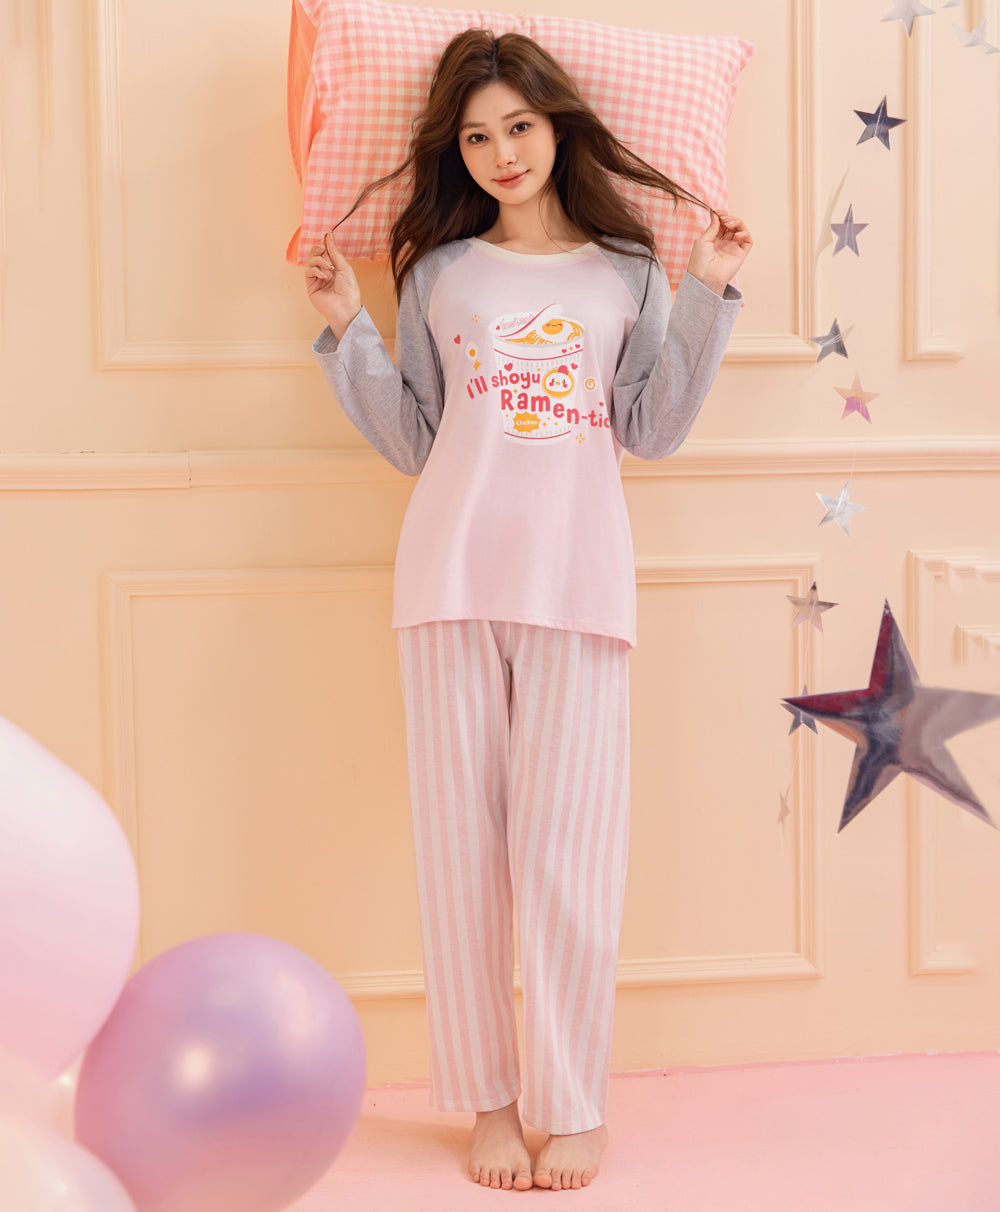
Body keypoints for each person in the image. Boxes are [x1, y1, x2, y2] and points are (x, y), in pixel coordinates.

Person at [304, 28, 752, 1193]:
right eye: (476, 137)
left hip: (578, 587)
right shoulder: (440, 273)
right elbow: (414, 437)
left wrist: (708, 289)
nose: (502, 153)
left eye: (519, 126)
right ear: (456, 152)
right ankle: (493, 1105)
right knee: (460, 860)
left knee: (567, 862)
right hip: (447, 581)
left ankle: (571, 1100)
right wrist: (347, 323)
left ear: (557, 126)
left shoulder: (627, 269)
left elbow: (651, 427)